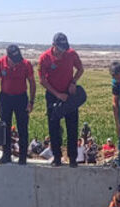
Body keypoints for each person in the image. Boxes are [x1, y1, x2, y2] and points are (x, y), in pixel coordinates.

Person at [38, 33, 84, 167]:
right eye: (60, 48)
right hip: (53, 94)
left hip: (69, 94)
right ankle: (57, 157)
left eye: (64, 48)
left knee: (72, 126)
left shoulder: (71, 54)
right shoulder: (44, 58)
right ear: (53, 45)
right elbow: (42, 81)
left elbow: (80, 69)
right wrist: (57, 94)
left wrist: (74, 82)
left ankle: (73, 158)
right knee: (54, 128)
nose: (62, 51)